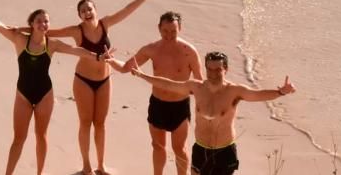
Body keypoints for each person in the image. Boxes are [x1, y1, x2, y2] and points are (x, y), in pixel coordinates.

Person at [0, 0, 112, 175]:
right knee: (19, 139)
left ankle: (39, 174)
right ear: (32, 24)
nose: (44, 24)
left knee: (41, 136)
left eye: (46, 21)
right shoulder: (19, 39)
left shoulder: (52, 44)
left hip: (45, 95)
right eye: (39, 21)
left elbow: (76, 50)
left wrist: (98, 57)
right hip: (23, 95)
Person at [114, 51, 295, 175]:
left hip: (224, 151)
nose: (213, 73)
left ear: (226, 69)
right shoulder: (197, 87)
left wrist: (280, 92)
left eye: (218, 69)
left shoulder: (234, 91)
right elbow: (168, 84)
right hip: (201, 148)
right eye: (210, 69)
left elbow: (257, 95)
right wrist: (141, 75)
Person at [46, 0, 158, 175]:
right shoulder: (76, 31)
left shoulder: (106, 24)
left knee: (100, 124)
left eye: (90, 9)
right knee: (85, 123)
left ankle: (101, 165)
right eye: (83, 11)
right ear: (79, 16)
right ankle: (86, 166)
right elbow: (47, 32)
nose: (87, 13)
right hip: (83, 81)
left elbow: (126, 10)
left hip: (105, 80)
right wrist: (18, 30)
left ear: (95, 10)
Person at [113, 12, 202, 175]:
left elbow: (200, 84)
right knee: (157, 146)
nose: (169, 35)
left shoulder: (189, 51)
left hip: (180, 106)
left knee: (179, 148)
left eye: (173, 31)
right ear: (159, 29)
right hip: (158, 104)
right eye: (165, 31)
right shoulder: (151, 49)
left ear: (180, 28)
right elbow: (126, 67)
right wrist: (111, 61)